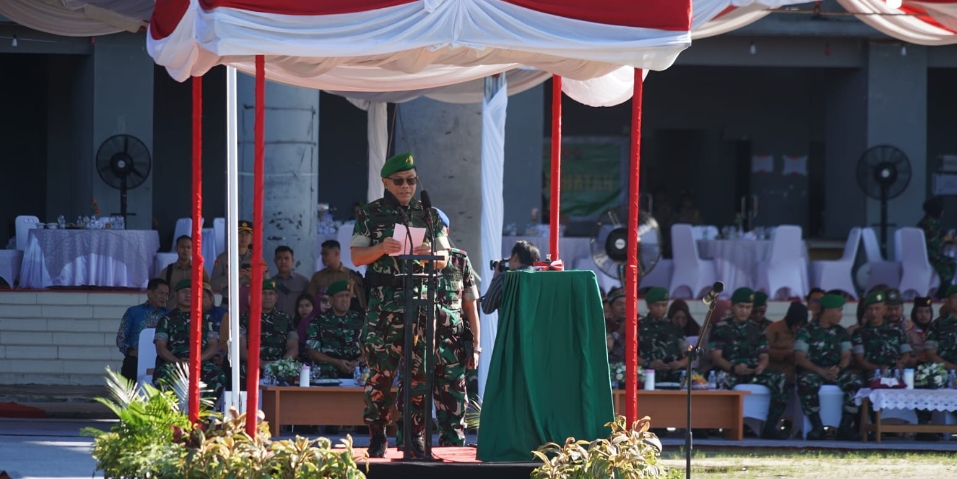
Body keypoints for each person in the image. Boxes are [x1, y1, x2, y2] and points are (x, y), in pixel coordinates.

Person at [350, 152, 449, 458]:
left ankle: (414, 434)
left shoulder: (428, 215)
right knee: (381, 375)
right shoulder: (371, 213)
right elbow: (356, 257)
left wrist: (428, 251)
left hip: (419, 306)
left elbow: (444, 259)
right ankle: (378, 434)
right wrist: (380, 248)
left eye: (411, 180)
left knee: (419, 374)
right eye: (399, 181)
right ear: (386, 183)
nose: (406, 186)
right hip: (384, 308)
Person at [709, 288, 789, 439]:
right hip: (730, 371)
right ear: (732, 306)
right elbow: (716, 357)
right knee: (716, 381)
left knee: (781, 378)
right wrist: (733, 368)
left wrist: (761, 367)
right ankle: (717, 426)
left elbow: (764, 354)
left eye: (748, 307)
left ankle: (770, 425)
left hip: (753, 372)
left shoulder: (757, 329)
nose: (744, 311)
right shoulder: (720, 328)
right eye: (741, 307)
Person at [794, 294, 863, 440]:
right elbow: (799, 357)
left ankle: (845, 426)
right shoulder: (807, 331)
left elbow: (846, 355)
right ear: (827, 311)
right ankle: (817, 426)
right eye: (838, 310)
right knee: (805, 381)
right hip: (813, 371)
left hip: (835, 371)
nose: (841, 314)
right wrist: (820, 371)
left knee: (856, 381)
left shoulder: (841, 332)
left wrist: (838, 368)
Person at [435, 209, 482, 416]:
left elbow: (470, 307)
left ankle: (452, 448)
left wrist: (476, 347)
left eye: (438, 231)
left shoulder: (459, 261)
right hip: (417, 347)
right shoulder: (410, 259)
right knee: (411, 414)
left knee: (454, 416)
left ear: (447, 232)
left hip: (451, 347)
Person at [152, 280, 225, 399]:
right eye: (184, 292)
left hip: (201, 362)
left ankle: (203, 414)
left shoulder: (206, 319)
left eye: (192, 292)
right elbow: (160, 347)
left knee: (218, 376)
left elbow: (213, 347)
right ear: (175, 295)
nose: (188, 295)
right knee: (162, 378)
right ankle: (171, 414)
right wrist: (177, 361)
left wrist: (196, 360)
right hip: (174, 362)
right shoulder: (166, 319)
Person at [238, 279, 299, 382]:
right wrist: (260, 363)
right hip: (253, 364)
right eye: (263, 293)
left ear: (276, 297)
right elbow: (241, 348)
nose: (267, 297)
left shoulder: (285, 318)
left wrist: (280, 364)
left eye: (271, 293)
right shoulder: (244, 318)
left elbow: (294, 347)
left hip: (280, 365)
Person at [306, 280, 364, 380]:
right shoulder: (318, 321)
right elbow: (312, 352)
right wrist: (337, 362)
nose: (345, 299)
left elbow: (372, 348)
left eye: (347, 295)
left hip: (357, 371)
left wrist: (357, 361)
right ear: (331, 300)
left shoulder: (361, 320)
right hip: (329, 372)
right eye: (340, 296)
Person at [115, 278, 170, 383]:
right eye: (161, 293)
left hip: (163, 360)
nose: (164, 297)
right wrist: (131, 352)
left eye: (167, 294)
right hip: (136, 359)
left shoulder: (170, 314)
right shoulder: (133, 312)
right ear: (149, 293)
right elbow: (121, 338)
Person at [852, 290, 912, 381]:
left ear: (884, 310)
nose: (873, 313)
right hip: (872, 373)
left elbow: (906, 353)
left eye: (877, 308)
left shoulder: (897, 330)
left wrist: (901, 363)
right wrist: (878, 368)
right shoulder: (859, 332)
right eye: (870, 309)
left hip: (896, 371)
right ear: (865, 311)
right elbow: (860, 360)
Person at [210, 220, 268, 306]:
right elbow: (213, 285)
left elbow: (269, 284)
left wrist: (255, 278)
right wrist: (231, 277)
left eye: (247, 234)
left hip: (251, 305)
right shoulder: (223, 258)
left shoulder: (258, 259)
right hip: (228, 305)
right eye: (240, 234)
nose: (243, 237)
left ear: (252, 237)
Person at [638, 287, 688, 383]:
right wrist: (649, 364)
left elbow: (688, 352)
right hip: (647, 376)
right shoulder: (639, 326)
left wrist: (680, 363)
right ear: (648, 306)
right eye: (656, 305)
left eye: (664, 305)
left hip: (673, 377)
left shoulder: (674, 327)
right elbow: (629, 355)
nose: (660, 309)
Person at [480, 240, 540, 314]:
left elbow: (486, 308)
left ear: (515, 257)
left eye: (510, 257)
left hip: (509, 326)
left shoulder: (503, 279)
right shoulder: (541, 279)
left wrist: (495, 279)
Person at [307, 240, 367, 311]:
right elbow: (310, 299)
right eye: (322, 254)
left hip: (347, 318)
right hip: (323, 318)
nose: (323, 257)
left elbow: (360, 301)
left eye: (326, 254)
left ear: (336, 253)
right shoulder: (317, 276)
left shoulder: (351, 275)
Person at [155, 235, 210, 309]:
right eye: (182, 247)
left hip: (194, 313)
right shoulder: (168, 271)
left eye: (188, 247)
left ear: (193, 249)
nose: (185, 250)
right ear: (176, 248)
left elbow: (209, 291)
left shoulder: (200, 270)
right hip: (172, 313)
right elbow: (159, 292)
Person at [918, 197, 956, 299]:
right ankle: (943, 290)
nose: (942, 212)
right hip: (930, 256)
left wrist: (950, 238)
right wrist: (945, 239)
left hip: (929, 254)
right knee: (950, 263)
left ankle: (944, 289)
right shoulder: (928, 224)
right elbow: (935, 243)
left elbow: (941, 233)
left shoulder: (930, 222)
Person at [765, 301, 809, 387]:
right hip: (778, 376)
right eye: (795, 324)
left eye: (801, 325)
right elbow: (765, 351)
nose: (798, 327)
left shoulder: (806, 332)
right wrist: (786, 354)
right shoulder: (773, 329)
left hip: (800, 378)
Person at [271, 246, 311, 317]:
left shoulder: (303, 282)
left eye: (286, 258)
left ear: (292, 260)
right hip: (276, 323)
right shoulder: (270, 282)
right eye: (279, 258)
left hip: (297, 324)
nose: (283, 262)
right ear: (275, 261)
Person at [292, 293, 318, 363]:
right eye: (300, 306)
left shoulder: (318, 324)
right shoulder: (292, 324)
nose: (304, 309)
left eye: (307, 305)